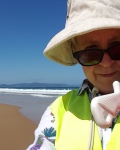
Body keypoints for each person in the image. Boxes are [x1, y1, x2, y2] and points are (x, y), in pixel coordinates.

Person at [27, 0, 120, 149]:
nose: (106, 63)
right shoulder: (59, 109)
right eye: (90, 54)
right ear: (76, 56)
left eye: (117, 49)